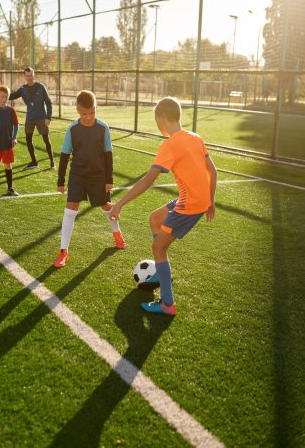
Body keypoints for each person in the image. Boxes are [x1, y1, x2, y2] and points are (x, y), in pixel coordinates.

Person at [110, 96, 217, 316]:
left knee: (158, 248)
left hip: (189, 204)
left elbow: (148, 180)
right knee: (155, 219)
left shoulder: (170, 145)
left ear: (161, 118)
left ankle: (167, 304)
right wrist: (210, 201)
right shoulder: (195, 137)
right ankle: (160, 271)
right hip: (198, 200)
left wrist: (119, 203)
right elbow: (213, 171)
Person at [53, 90, 126, 268]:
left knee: (106, 206)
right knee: (71, 207)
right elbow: (64, 155)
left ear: (95, 108)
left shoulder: (103, 128)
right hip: (77, 174)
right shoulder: (73, 129)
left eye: (92, 112)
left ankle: (116, 233)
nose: (88, 117)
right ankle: (63, 251)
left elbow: (108, 155)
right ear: (77, 110)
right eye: (84, 113)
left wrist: (109, 179)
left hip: (98, 176)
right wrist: (61, 180)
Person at [9, 67, 54, 170]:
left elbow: (48, 103)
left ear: (34, 75)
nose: (29, 78)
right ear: (24, 76)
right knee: (28, 139)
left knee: (46, 139)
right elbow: (11, 96)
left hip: (42, 117)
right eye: (27, 76)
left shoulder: (41, 87)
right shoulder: (22, 89)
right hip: (30, 117)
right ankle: (34, 162)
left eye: (31, 75)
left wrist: (48, 117)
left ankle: (52, 162)